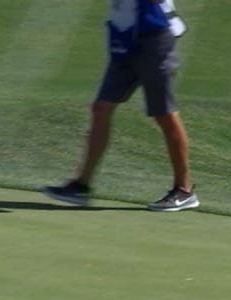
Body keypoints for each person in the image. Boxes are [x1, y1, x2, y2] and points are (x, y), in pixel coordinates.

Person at [41, 0, 199, 212]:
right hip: (124, 36)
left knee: (164, 114)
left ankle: (184, 190)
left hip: (155, 36)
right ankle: (80, 186)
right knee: (101, 108)